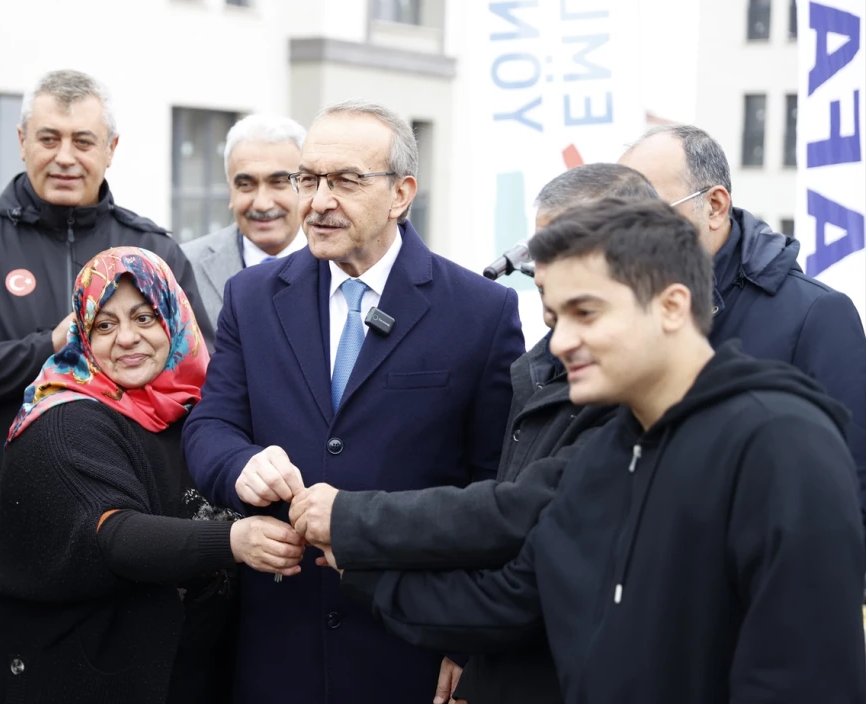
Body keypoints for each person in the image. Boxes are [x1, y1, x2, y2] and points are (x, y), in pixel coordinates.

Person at [344, 199, 866, 704]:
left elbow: (802, 679)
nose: (562, 341)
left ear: (672, 305)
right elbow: (512, 599)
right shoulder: (608, 454)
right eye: (553, 319)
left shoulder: (782, 445)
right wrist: (351, 562)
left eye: (586, 313)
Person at [182, 99, 524, 704]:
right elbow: (210, 426)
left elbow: (495, 490)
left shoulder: (480, 312)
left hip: (410, 650)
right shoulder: (253, 297)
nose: (316, 201)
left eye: (344, 181)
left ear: (401, 193)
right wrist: (239, 466)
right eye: (308, 179)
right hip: (275, 646)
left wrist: (468, 643)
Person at [288, 162, 659, 704]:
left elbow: (514, 528)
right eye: (548, 294)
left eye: (583, 304)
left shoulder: (652, 413)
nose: (560, 336)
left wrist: (352, 529)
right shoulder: (546, 370)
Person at [0, 69, 213, 703]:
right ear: (20, 141)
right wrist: (51, 345)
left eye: (83, 140)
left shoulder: (152, 249)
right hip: (0, 540)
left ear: (111, 148)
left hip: (142, 541)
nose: (65, 156)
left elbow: (199, 377)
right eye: (48, 138)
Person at [0, 247, 295, 704]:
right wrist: (236, 541)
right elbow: (114, 535)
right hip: (71, 676)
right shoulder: (64, 420)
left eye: (145, 318)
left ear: (175, 318)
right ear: (83, 335)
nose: (126, 338)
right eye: (104, 325)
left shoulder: (201, 410)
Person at [619, 124, 866, 529]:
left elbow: (849, 492)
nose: (625, 237)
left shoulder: (816, 315)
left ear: (715, 206)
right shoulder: (623, 311)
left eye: (646, 214)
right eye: (617, 219)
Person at [181, 113, 308, 331]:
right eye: (246, 185)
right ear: (230, 190)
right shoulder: (185, 267)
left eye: (278, 182)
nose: (262, 204)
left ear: (306, 185)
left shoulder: (339, 263)